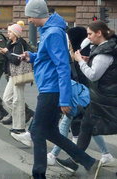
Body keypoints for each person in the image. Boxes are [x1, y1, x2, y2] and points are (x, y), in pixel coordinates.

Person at [15, 0, 98, 179]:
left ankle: (38, 174)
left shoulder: (52, 33)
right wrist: (32, 56)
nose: (29, 20)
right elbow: (49, 58)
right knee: (49, 131)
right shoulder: (49, 31)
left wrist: (65, 99)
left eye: (30, 16)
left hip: (51, 89)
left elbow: (62, 66)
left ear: (37, 15)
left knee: (36, 131)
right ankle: (89, 162)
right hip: (49, 86)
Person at [56, 20, 117, 173]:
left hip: (107, 99)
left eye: (90, 34)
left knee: (90, 126)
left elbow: (93, 75)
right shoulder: (104, 48)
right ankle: (75, 160)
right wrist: (88, 60)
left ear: (99, 33)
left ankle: (78, 159)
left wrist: (79, 62)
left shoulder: (105, 51)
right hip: (101, 98)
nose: (88, 37)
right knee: (86, 125)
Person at [0, 23, 34, 133]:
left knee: (18, 100)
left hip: (19, 75)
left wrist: (7, 52)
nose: (8, 34)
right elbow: (9, 59)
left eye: (10, 32)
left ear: (15, 33)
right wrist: (4, 53)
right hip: (12, 75)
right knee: (7, 99)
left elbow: (16, 61)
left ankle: (19, 126)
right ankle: (21, 118)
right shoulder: (10, 43)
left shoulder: (19, 44)